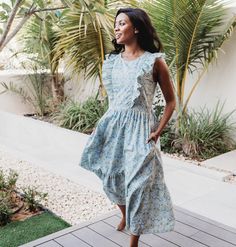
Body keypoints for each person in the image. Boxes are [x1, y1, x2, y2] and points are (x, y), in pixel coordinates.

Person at [80, 7, 176, 247]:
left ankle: (133, 238)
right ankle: (125, 215)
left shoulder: (154, 62)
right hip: (113, 128)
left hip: (142, 131)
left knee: (139, 185)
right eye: (116, 23)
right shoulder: (112, 62)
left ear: (136, 28)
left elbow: (171, 101)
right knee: (111, 181)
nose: (116, 27)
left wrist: (158, 130)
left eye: (122, 23)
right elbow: (116, 100)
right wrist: (101, 126)